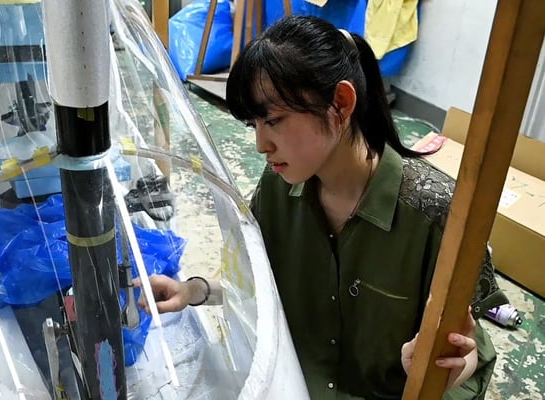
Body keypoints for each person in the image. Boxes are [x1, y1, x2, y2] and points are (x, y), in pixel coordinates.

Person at [137, 15, 504, 399]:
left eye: (274, 120)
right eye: (254, 125)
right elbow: (258, 284)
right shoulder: (278, 189)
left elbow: (468, 345)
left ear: (341, 104)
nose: (262, 144)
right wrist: (192, 291)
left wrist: (456, 365)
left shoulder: (435, 212)